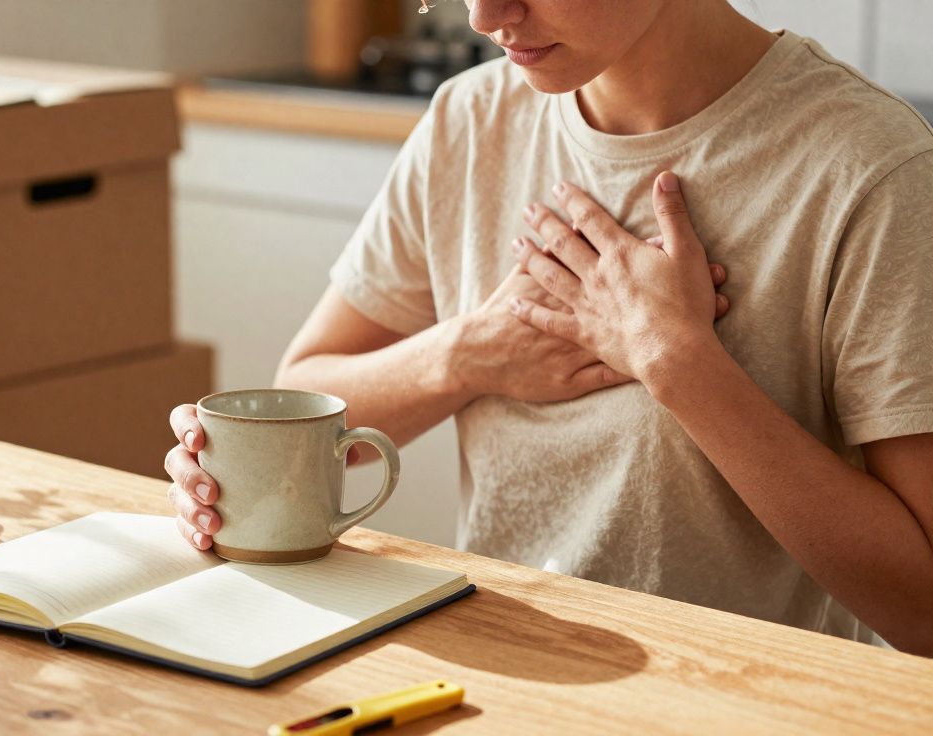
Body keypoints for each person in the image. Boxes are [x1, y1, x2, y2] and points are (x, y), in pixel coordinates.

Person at [164, 0, 933, 654]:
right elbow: (303, 396)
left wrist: (678, 364)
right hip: (503, 690)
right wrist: (469, 354)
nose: (483, 16)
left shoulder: (870, 168)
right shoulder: (471, 119)